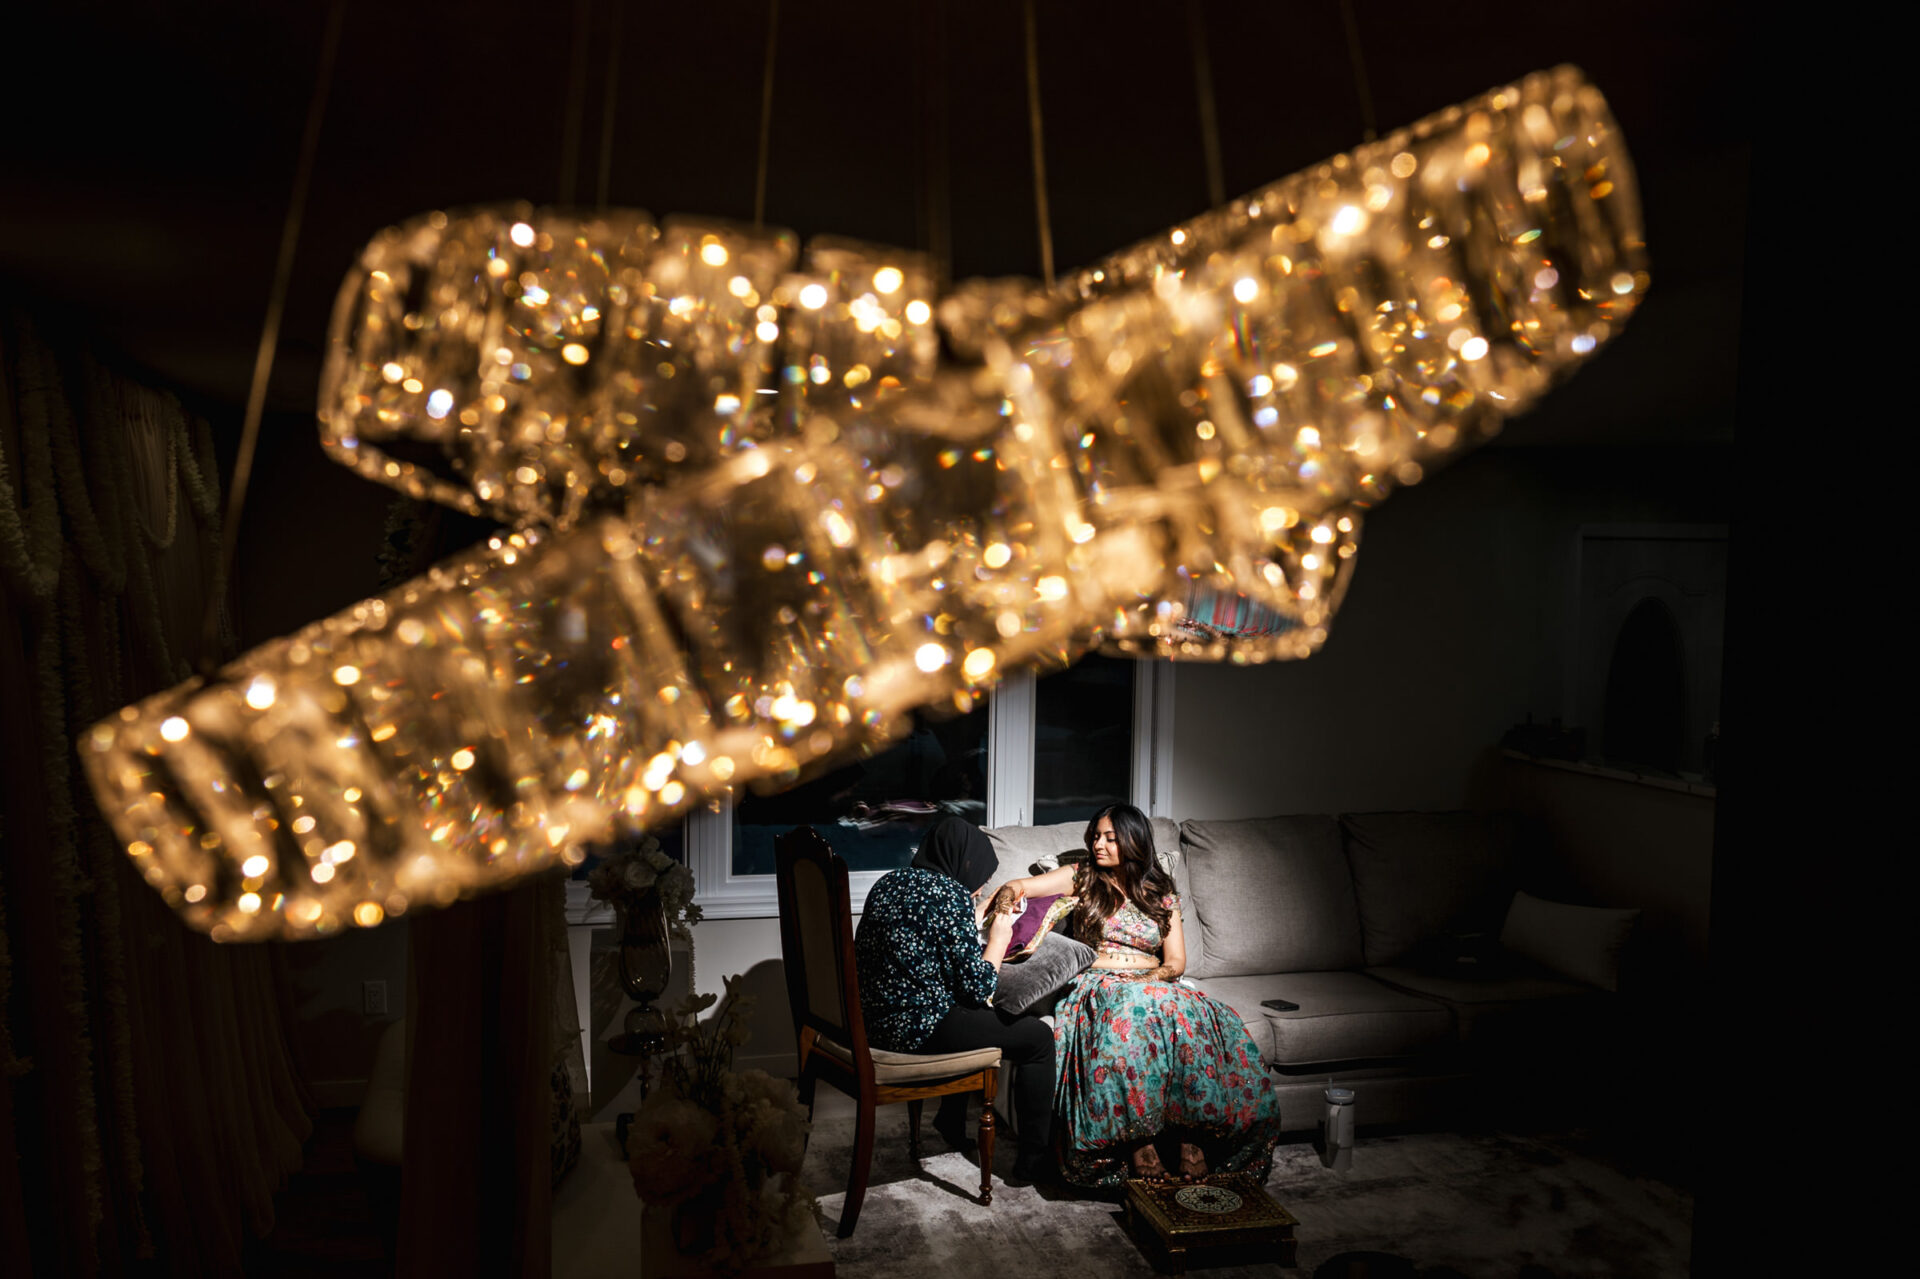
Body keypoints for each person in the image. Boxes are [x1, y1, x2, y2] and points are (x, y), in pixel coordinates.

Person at [990, 802, 1283, 1191]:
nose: (1099, 844)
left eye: (1110, 838)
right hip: (1100, 982)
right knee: (1131, 1010)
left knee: (1196, 1012)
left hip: (1152, 980)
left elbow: (1176, 961)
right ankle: (1139, 1141)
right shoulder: (1081, 876)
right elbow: (1020, 887)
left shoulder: (1161, 891)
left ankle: (1189, 1135)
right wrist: (1008, 898)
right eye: (1096, 836)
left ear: (1133, 840)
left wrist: (1148, 978)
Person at [853, 816, 1058, 1184]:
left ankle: (950, 1119)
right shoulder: (949, 895)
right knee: (1038, 1039)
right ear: (963, 863)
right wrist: (998, 936)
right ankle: (1033, 1161)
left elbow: (924, 954)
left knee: (964, 1012)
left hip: (872, 1021)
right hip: (916, 1031)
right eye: (980, 878)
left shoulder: (889, 882)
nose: (980, 889)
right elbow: (977, 988)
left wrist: (968, 916)